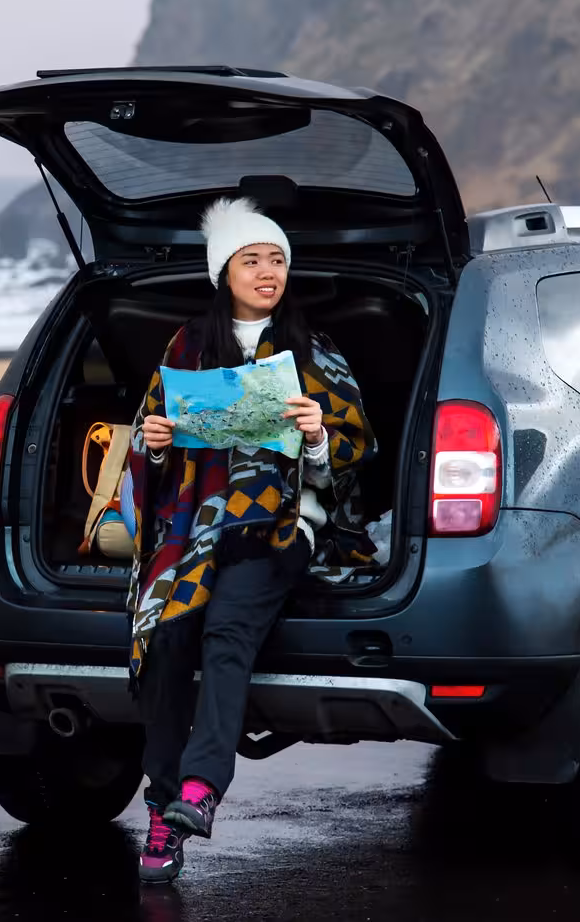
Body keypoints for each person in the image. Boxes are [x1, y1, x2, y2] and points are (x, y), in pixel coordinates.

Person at [127, 196, 377, 884]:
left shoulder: (313, 351)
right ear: (223, 273)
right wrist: (152, 444)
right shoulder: (185, 347)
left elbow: (355, 452)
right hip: (194, 526)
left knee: (227, 632)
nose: (268, 272)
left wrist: (320, 434)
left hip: (283, 521)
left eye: (277, 260)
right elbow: (152, 441)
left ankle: (201, 791)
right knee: (170, 636)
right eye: (251, 259)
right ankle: (161, 804)